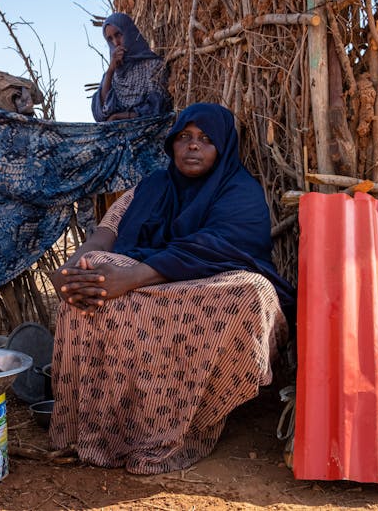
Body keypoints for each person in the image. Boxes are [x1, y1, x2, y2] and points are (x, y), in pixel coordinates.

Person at [48, 103, 295, 474]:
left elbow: (221, 246)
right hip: (150, 289)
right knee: (94, 276)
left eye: (205, 139)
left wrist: (134, 277)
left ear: (223, 147)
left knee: (252, 292)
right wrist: (69, 270)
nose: (192, 146)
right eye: (184, 137)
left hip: (206, 289)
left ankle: (186, 424)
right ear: (172, 144)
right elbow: (103, 236)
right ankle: (102, 430)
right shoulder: (149, 189)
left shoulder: (241, 191)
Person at [91, 12, 172, 122]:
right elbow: (102, 114)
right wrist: (110, 71)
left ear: (130, 33)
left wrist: (119, 116)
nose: (115, 43)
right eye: (110, 39)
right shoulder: (113, 75)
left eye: (118, 35)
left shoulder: (153, 66)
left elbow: (157, 110)